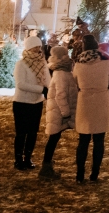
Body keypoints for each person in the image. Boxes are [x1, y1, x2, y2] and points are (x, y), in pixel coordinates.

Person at [74, 34, 109, 183]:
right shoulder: (105, 63)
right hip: (101, 102)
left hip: (84, 103)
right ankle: (94, 174)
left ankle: (79, 175)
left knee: (83, 141)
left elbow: (75, 81)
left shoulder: (79, 64)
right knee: (99, 141)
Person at [40, 45, 78, 180]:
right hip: (58, 112)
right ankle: (46, 168)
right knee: (53, 138)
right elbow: (60, 95)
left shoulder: (62, 71)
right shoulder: (61, 73)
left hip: (58, 111)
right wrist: (66, 113)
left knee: (54, 138)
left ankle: (47, 166)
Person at [13, 36, 50, 170]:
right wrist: (41, 89)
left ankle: (28, 158)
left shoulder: (42, 63)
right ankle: (18, 159)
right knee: (21, 133)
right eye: (35, 47)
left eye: (39, 47)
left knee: (33, 132)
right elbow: (21, 84)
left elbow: (47, 80)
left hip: (36, 102)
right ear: (29, 47)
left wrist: (49, 89)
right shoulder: (21, 64)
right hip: (22, 102)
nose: (38, 50)